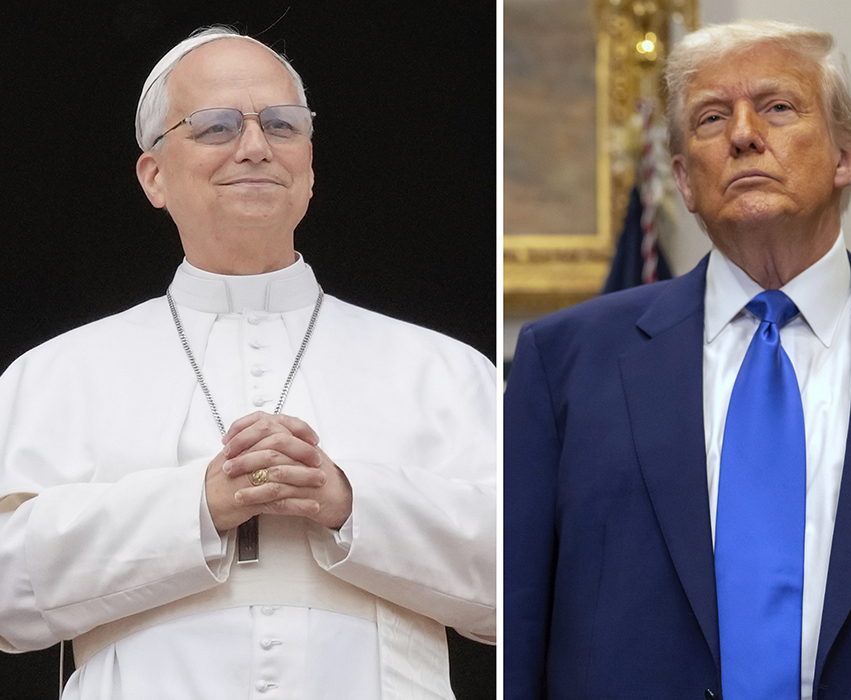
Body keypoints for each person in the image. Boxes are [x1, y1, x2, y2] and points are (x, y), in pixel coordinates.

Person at [504, 19, 851, 700]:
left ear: (846, 154)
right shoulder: (562, 363)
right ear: (682, 177)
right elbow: (520, 623)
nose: (742, 134)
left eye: (777, 107)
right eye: (711, 117)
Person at [0, 26, 495, 699]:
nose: (256, 147)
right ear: (153, 175)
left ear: (311, 168)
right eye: (215, 127)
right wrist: (195, 508)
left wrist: (352, 502)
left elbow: (520, 587)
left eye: (283, 126)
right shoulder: (56, 374)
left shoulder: (445, 371)